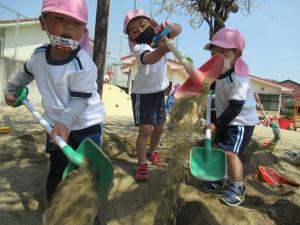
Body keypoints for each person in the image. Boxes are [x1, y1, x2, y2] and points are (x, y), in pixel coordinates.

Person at [4, 0, 105, 222]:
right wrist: (10, 91)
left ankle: (90, 213)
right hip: (55, 124)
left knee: (90, 174)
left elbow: (80, 100)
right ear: (43, 22)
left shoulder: (82, 64)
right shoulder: (38, 56)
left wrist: (66, 121)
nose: (67, 28)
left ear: (83, 30)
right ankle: (56, 210)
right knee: (58, 169)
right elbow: (22, 75)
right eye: (60, 19)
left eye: (76, 23)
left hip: (86, 125)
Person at [199, 27, 259, 206]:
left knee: (231, 153)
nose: (218, 55)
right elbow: (214, 91)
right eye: (214, 51)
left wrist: (216, 125)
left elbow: (235, 107)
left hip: (241, 122)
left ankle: (238, 187)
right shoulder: (221, 75)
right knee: (219, 148)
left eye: (223, 51)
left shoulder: (237, 79)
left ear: (237, 53)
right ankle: (222, 180)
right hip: (228, 120)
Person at [123, 8, 182, 181]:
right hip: (143, 95)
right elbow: (149, 58)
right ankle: (142, 163)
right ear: (132, 38)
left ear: (152, 24)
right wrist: (162, 50)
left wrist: (169, 27)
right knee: (145, 131)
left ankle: (153, 151)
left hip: (158, 93)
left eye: (143, 25)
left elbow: (178, 29)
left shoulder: (159, 39)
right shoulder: (140, 47)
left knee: (160, 126)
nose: (140, 31)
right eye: (135, 31)